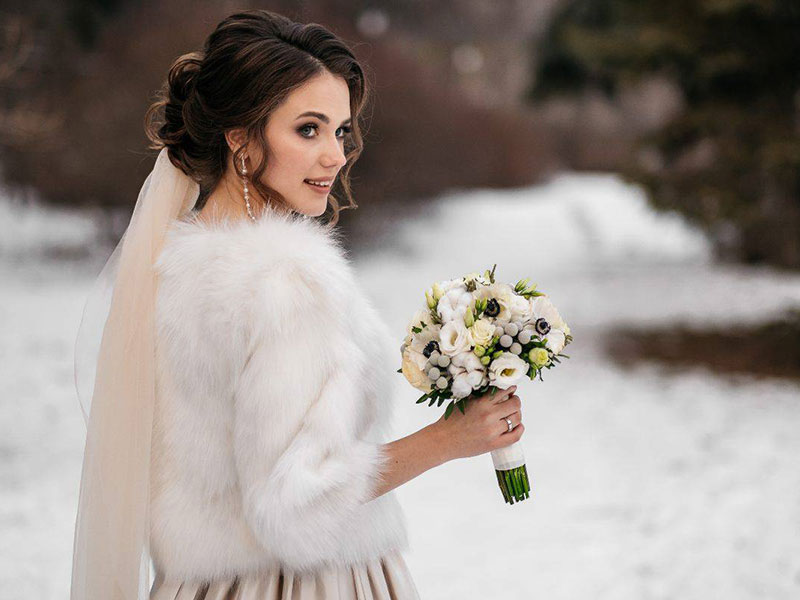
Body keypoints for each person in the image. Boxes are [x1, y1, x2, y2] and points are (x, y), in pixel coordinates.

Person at [70, 9, 525, 600]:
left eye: (339, 130)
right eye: (308, 129)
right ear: (240, 136)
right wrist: (449, 439)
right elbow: (295, 508)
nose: (335, 155)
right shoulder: (284, 281)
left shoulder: (176, 264)